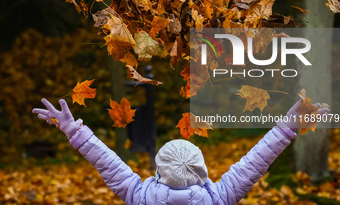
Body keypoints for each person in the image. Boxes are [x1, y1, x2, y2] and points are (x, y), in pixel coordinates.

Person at [32, 98, 329, 205]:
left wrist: (73, 130)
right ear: (202, 171)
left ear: (159, 172)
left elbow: (107, 162)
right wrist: (285, 128)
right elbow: (255, 162)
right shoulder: (218, 198)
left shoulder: (141, 197)